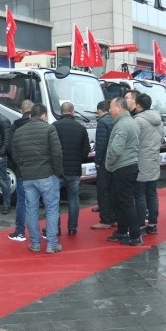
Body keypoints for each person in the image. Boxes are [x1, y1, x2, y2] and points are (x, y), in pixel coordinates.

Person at [11, 103, 65, 254]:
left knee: (31, 210)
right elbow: (57, 153)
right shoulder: (49, 129)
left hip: (28, 177)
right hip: (47, 175)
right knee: (52, 209)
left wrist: (23, 168)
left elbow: (15, 154)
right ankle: (52, 244)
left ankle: (35, 243)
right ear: (44, 115)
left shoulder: (19, 132)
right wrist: (58, 171)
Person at [105, 97, 141, 245]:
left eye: (111, 107)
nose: (109, 110)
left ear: (119, 108)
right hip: (126, 166)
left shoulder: (122, 125)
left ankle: (134, 236)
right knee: (118, 201)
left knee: (125, 203)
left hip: (122, 168)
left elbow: (116, 150)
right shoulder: (128, 122)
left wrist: (109, 164)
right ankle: (122, 231)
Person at [53, 102, 90, 236]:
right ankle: (72, 228)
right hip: (74, 170)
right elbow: (86, 150)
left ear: (61, 112)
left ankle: (55, 228)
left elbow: (51, 148)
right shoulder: (80, 128)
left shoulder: (54, 126)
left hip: (58, 170)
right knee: (73, 199)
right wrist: (78, 160)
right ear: (73, 112)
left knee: (54, 200)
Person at [131, 93, 163, 235]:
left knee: (140, 196)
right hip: (154, 160)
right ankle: (153, 224)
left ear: (138, 104)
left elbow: (132, 141)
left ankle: (141, 226)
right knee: (152, 194)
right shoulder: (158, 120)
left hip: (140, 162)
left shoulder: (138, 121)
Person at [6, 99, 33, 241]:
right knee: (41, 201)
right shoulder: (39, 124)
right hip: (38, 170)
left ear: (21, 111)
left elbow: (10, 147)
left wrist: (18, 162)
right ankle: (46, 232)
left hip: (21, 169)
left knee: (21, 201)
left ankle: (20, 231)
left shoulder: (15, 126)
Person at [91, 100, 115, 229]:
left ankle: (105, 220)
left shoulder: (102, 123)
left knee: (102, 191)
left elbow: (101, 144)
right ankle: (114, 217)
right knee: (112, 191)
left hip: (104, 161)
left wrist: (97, 161)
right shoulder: (114, 120)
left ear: (100, 111)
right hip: (114, 161)